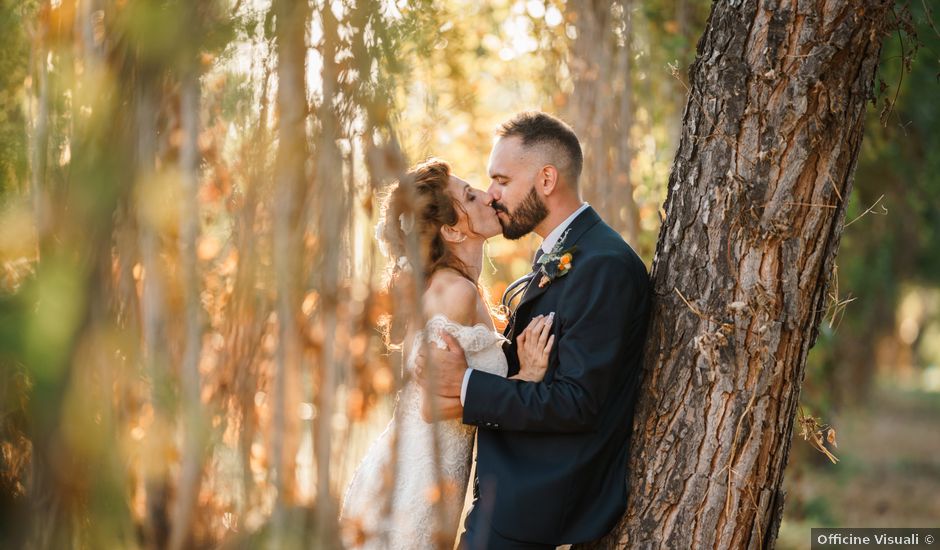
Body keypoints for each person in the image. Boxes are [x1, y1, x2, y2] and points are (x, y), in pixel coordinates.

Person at [416, 112, 652, 549]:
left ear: (546, 179)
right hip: (504, 505)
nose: (491, 195)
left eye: (502, 180)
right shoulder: (560, 254)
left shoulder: (604, 266)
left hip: (537, 514)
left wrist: (466, 386)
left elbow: (579, 402)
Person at [340, 158, 556, 549]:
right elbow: (432, 406)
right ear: (453, 231)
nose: (488, 197)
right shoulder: (452, 293)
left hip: (424, 475)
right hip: (417, 487)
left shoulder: (452, 287)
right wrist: (526, 377)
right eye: (470, 197)